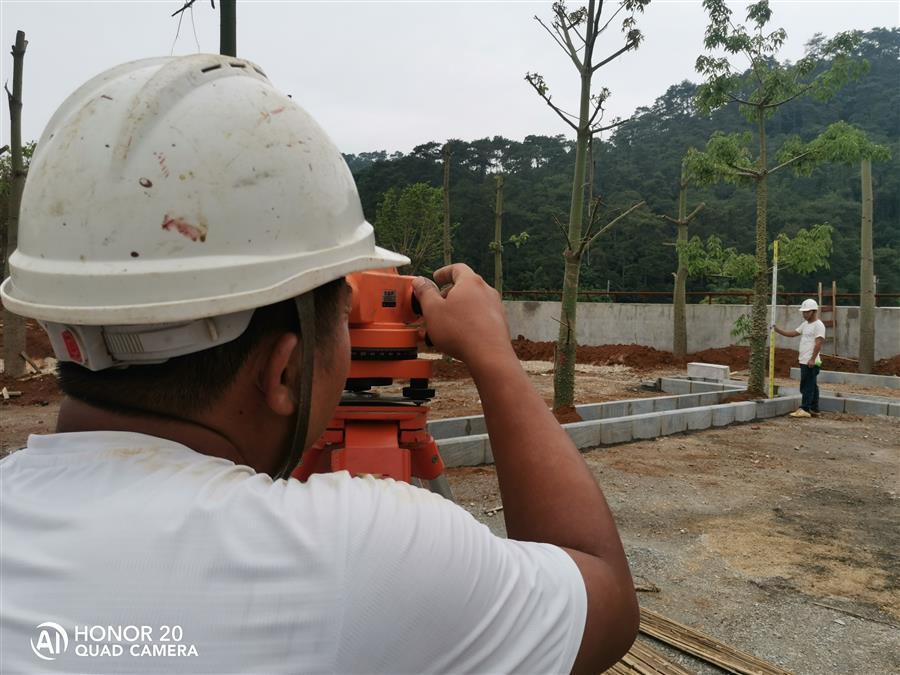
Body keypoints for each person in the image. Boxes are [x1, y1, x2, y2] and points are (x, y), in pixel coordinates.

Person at [0, 55, 637, 674]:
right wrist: (494, 355)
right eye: (341, 307)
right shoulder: (368, 555)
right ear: (287, 371)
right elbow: (602, 597)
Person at [773, 299, 826, 418]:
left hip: (811, 361)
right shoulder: (805, 325)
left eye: (807, 312)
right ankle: (814, 409)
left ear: (814, 311)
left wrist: (812, 359)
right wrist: (778, 330)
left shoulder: (818, 325)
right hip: (804, 360)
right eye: (803, 312)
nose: (804, 314)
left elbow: (818, 343)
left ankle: (805, 408)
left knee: (807, 386)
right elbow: (793, 334)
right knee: (812, 385)